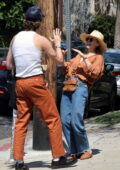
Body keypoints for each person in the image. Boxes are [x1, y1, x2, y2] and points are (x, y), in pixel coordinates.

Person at [6, 6, 77, 170]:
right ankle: (58, 158)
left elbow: (9, 64)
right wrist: (58, 44)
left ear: (25, 21)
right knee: (52, 119)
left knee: (21, 122)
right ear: (39, 22)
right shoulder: (41, 40)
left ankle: (18, 162)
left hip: (20, 83)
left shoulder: (15, 38)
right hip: (36, 83)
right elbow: (59, 61)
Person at [60, 30, 107, 159]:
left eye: (92, 39)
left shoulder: (98, 57)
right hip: (67, 86)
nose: (88, 41)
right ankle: (73, 151)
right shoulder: (78, 56)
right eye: (88, 39)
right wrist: (62, 57)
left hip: (80, 88)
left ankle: (85, 149)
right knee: (64, 121)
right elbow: (66, 69)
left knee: (76, 120)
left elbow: (95, 74)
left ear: (97, 44)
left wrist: (86, 59)